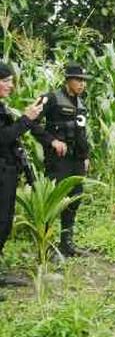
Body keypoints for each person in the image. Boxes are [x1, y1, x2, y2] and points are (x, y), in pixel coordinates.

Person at [31, 63, 92, 257]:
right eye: (78, 80)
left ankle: (66, 244)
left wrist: (85, 157)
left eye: (84, 81)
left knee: (74, 199)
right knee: (53, 200)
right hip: (57, 160)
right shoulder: (51, 99)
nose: (82, 84)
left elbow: (81, 134)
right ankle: (45, 245)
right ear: (68, 80)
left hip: (76, 159)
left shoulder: (81, 104)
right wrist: (52, 141)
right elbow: (30, 122)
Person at [0, 62, 44, 297]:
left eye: (11, 80)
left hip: (6, 174)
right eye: (5, 81)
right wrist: (26, 119)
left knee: (4, 224)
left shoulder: (2, 107)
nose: (11, 85)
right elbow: (3, 138)